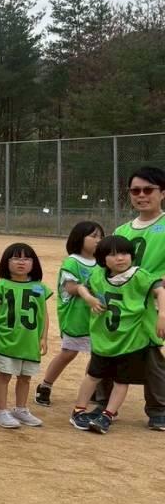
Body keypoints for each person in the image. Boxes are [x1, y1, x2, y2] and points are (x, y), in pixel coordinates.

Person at [69, 234, 165, 434]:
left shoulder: (139, 275)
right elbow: (81, 287)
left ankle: (108, 415)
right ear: (103, 259)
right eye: (113, 255)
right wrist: (88, 298)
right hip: (104, 339)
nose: (120, 258)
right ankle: (78, 410)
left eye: (124, 253)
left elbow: (160, 291)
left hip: (130, 341)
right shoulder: (98, 275)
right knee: (93, 376)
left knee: (122, 380)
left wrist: (162, 314)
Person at [98, 166, 165, 429]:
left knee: (150, 354)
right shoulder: (122, 230)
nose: (141, 195)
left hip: (150, 302)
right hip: (119, 303)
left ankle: (158, 408)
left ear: (162, 193)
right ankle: (103, 401)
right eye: (135, 191)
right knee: (109, 346)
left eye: (148, 190)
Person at [34, 221, 103, 406]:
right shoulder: (72, 261)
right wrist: (86, 290)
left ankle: (91, 389)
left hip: (97, 316)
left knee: (97, 354)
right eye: (93, 236)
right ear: (79, 238)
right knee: (68, 353)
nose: (98, 240)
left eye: (101, 236)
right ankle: (45, 385)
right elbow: (70, 287)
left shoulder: (102, 262)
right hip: (75, 316)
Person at [0, 243, 50, 429]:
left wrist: (44, 337)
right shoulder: (1, 286)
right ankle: (1, 411)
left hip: (30, 342)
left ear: (33, 263)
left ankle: (21, 409)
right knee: (4, 375)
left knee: (25, 377)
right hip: (7, 340)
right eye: (16, 258)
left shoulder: (39, 287)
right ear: (6, 262)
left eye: (26, 258)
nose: (21, 262)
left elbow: (44, 314)